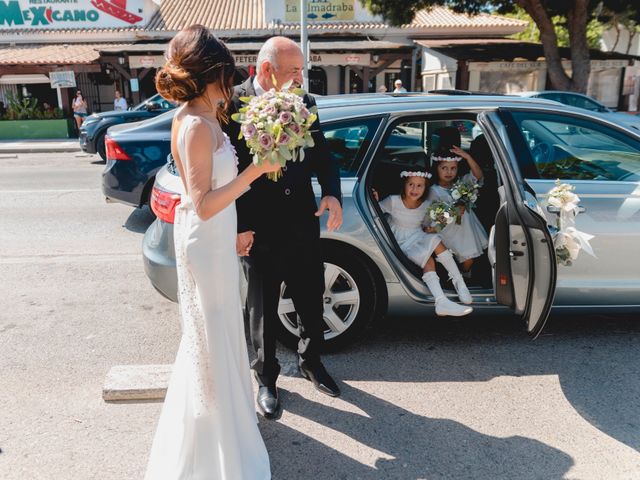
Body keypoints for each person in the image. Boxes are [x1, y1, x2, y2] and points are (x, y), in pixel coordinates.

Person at [144, 24, 277, 480]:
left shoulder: (199, 117)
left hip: (215, 238)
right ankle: (216, 444)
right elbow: (202, 203)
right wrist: (257, 170)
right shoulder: (197, 124)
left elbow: (209, 200)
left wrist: (235, 231)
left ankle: (220, 425)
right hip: (205, 239)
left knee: (213, 336)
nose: (233, 82)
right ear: (211, 74)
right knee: (213, 336)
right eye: (228, 73)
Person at [229, 36, 343, 419]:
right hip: (258, 228)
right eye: (294, 71)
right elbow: (226, 173)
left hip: (301, 220)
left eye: (301, 70)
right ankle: (266, 378)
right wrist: (241, 226)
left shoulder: (305, 102)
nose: (300, 78)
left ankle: (312, 362)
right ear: (266, 70)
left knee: (311, 296)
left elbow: (322, 154)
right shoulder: (233, 103)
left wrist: (331, 194)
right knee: (261, 307)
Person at [373, 170, 472, 316]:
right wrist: (374, 201)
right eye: (411, 184)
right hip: (400, 241)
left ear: (425, 188)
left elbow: (429, 225)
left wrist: (451, 214)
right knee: (429, 260)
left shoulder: (427, 205)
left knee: (435, 239)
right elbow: (375, 212)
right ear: (404, 185)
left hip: (418, 235)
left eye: (420, 186)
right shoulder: (393, 201)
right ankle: (441, 300)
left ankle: (459, 283)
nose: (414, 189)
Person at [427, 146, 489, 275]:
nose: (449, 172)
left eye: (453, 168)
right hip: (448, 231)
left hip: (466, 231)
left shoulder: (461, 184)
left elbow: (478, 175)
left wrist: (468, 157)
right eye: (444, 168)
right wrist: (455, 210)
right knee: (466, 260)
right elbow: (437, 220)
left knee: (469, 260)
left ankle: (464, 276)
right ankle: (460, 277)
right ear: (436, 168)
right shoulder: (433, 191)